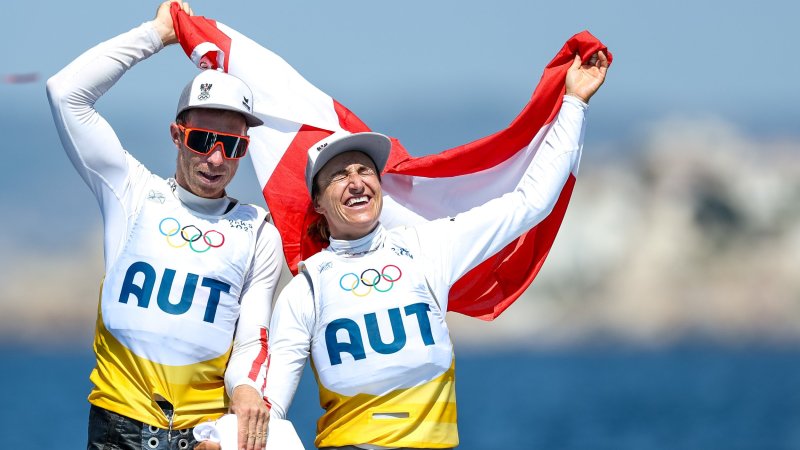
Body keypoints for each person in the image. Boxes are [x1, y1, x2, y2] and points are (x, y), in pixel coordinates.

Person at [263, 51, 608, 449]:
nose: (355, 182)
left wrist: (574, 103)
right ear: (319, 203)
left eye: (364, 171)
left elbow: (531, 202)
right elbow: (270, 408)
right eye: (338, 176)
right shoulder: (305, 289)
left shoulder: (428, 246)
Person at [46, 2, 282, 449]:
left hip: (201, 438)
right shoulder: (131, 191)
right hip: (115, 430)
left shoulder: (259, 230)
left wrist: (248, 389)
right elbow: (65, 93)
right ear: (177, 135)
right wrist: (156, 34)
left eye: (231, 146)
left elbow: (252, 336)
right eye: (202, 140)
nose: (215, 158)